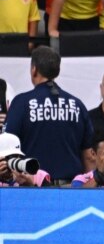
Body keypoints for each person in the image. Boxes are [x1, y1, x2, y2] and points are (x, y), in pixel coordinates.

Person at [3, 46, 93, 186]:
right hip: (71, 189)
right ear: (57, 70)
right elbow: (88, 156)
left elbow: (6, 146)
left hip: (32, 187)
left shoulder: (21, 103)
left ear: (34, 69)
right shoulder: (78, 105)